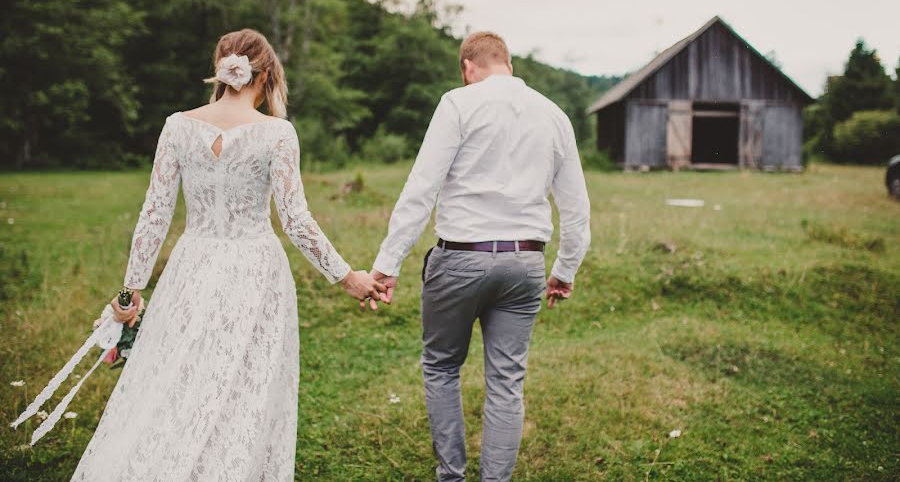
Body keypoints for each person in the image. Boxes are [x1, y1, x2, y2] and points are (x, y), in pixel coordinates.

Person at [70, 29, 386, 481]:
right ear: (269, 73)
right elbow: (294, 220)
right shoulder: (277, 133)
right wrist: (347, 277)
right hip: (256, 270)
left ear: (222, 69)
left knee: (177, 378)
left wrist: (130, 292)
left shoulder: (178, 124)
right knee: (245, 387)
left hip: (191, 264)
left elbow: (155, 214)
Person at [371, 31, 592, 482]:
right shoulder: (554, 115)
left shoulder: (458, 103)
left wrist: (387, 265)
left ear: (468, 68)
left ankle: (450, 476)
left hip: (461, 259)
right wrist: (564, 270)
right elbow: (576, 209)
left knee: (441, 367)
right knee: (507, 382)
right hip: (526, 264)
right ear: (507, 64)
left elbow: (421, 189)